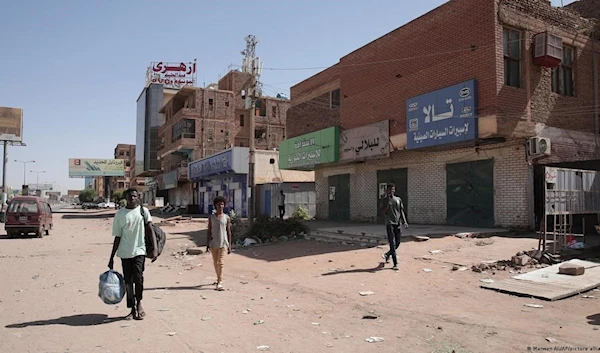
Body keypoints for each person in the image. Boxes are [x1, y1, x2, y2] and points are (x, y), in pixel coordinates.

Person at [108, 188, 157, 320]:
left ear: (138, 197)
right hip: (125, 253)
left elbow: (150, 229)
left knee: (139, 278)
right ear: (126, 198)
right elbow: (117, 237)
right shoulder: (120, 215)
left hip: (139, 251)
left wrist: (155, 249)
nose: (132, 199)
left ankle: (139, 302)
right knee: (128, 281)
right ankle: (132, 308)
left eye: (134, 196)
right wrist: (111, 257)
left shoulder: (143, 211)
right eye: (129, 197)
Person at [380, 183, 408, 271]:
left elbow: (401, 211)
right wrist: (388, 202)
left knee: (398, 242)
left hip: (398, 223)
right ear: (387, 190)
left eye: (393, 189)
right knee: (392, 243)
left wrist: (405, 221)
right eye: (389, 190)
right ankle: (395, 264)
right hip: (389, 223)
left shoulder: (398, 199)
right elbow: (383, 212)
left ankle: (388, 254)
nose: (391, 191)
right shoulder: (384, 200)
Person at [206, 196, 232, 291]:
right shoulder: (212, 218)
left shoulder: (226, 218)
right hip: (213, 243)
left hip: (223, 243)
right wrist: (207, 244)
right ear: (215, 206)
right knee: (215, 263)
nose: (221, 206)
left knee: (220, 262)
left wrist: (229, 245)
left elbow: (228, 232)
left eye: (222, 204)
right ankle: (218, 278)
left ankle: (220, 281)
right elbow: (209, 230)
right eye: (219, 204)